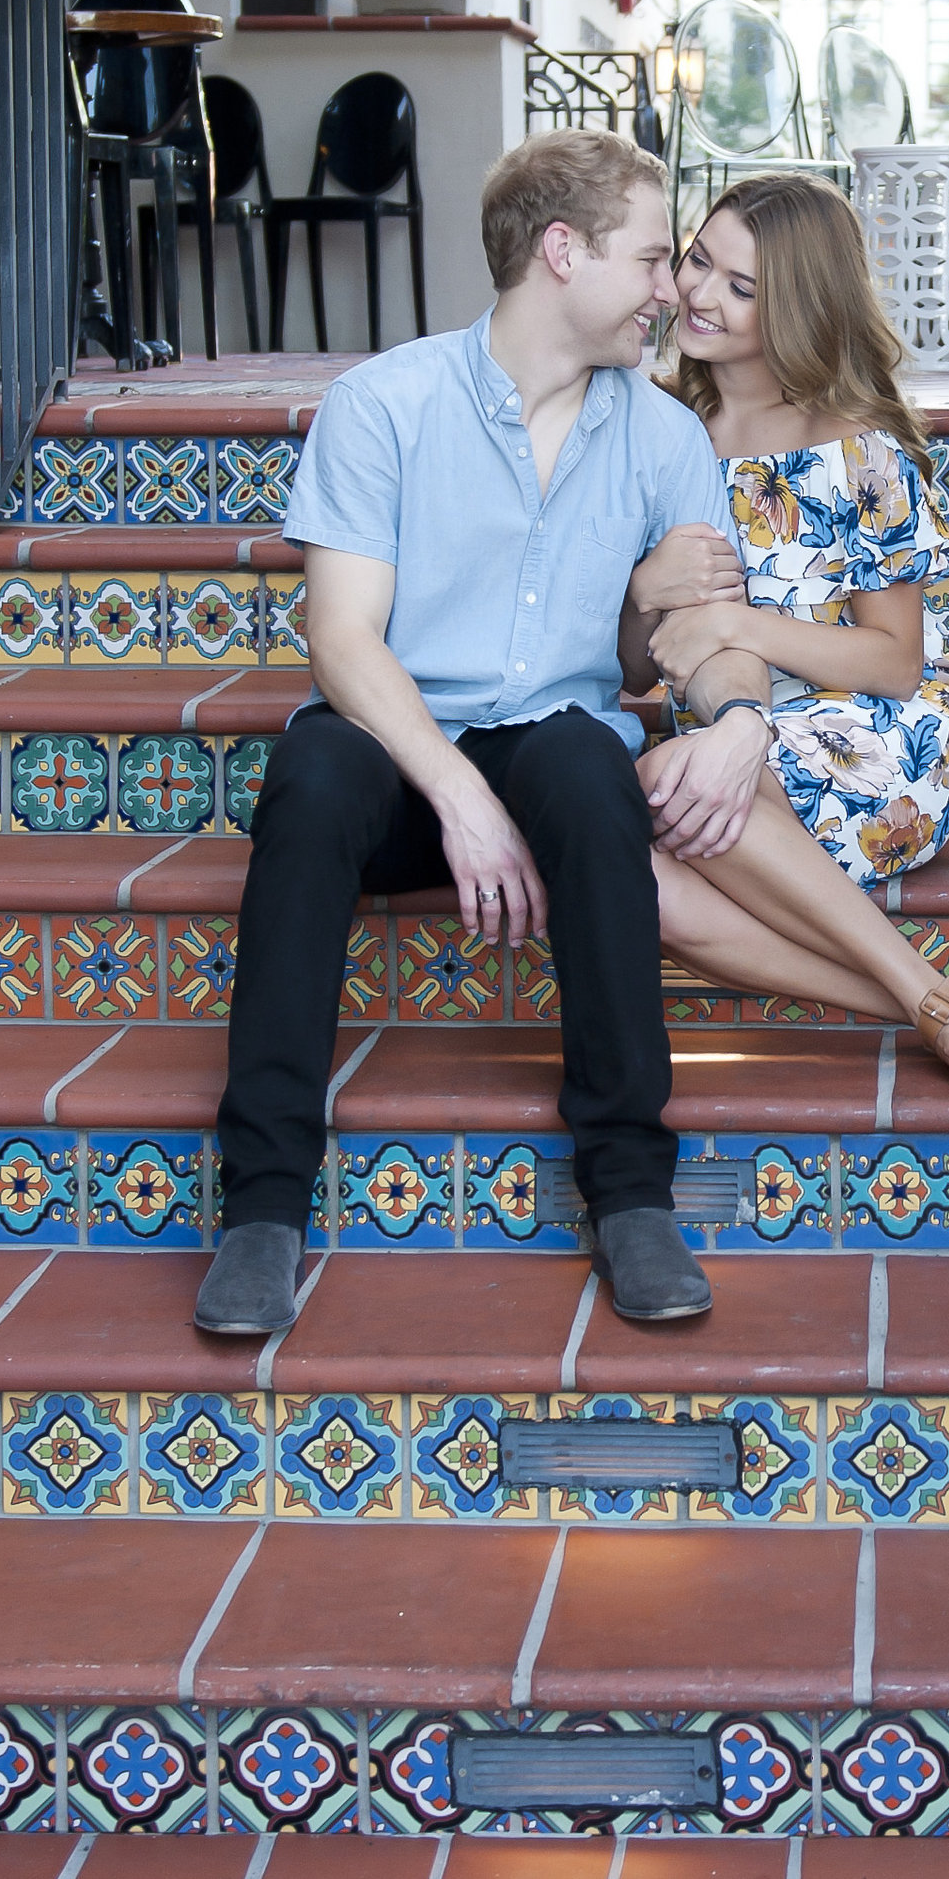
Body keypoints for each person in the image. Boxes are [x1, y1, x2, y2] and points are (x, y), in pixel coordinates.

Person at [193, 130, 779, 1336]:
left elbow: (696, 645)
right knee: (309, 772)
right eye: (654, 257)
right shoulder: (384, 405)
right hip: (403, 753)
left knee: (583, 757)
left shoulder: (665, 439)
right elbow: (344, 641)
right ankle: (261, 1206)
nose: (671, 288)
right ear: (561, 253)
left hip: (551, 747)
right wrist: (459, 796)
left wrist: (737, 710)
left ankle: (629, 1191)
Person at [622, 174, 949, 1104]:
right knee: (637, 876)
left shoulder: (857, 449)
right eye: (699, 260)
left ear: (798, 308)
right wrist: (641, 598)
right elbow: (637, 660)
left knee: (671, 788)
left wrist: (739, 623)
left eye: (742, 288)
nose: (700, 294)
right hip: (732, 733)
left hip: (880, 736)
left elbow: (893, 662)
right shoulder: (657, 430)